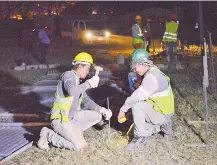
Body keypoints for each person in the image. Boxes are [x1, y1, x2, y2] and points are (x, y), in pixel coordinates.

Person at [37, 52, 112, 152]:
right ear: (80, 66)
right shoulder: (68, 76)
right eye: (87, 69)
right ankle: (48, 135)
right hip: (61, 120)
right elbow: (71, 91)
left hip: (72, 118)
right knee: (80, 147)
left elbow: (87, 101)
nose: (87, 72)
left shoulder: (78, 82)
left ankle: (72, 132)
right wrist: (88, 84)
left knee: (97, 116)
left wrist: (102, 110)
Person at [118, 49, 174, 151]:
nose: (134, 70)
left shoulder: (151, 78)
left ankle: (140, 137)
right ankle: (164, 125)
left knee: (137, 106)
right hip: (163, 110)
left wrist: (123, 110)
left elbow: (136, 97)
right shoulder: (153, 70)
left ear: (143, 64)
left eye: (135, 67)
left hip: (161, 113)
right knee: (140, 122)